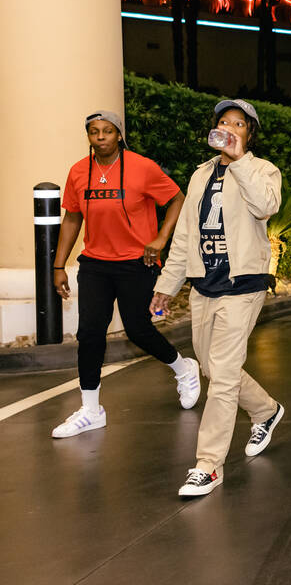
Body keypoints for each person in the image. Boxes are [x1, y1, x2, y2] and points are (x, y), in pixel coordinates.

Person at [150, 99, 283, 498]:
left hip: (243, 287)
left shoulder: (262, 170)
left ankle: (207, 465)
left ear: (249, 133)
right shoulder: (199, 176)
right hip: (205, 285)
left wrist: (239, 159)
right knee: (211, 368)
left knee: (222, 377)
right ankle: (266, 411)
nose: (229, 127)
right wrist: (167, 286)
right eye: (223, 122)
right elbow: (186, 236)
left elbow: (265, 206)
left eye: (238, 124)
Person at [50, 110, 198, 439]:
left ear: (118, 134)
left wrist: (160, 239)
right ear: (88, 136)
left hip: (136, 263)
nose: (100, 137)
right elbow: (72, 218)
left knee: (138, 329)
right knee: (89, 334)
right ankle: (91, 410)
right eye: (93, 131)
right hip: (95, 264)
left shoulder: (141, 167)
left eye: (107, 131)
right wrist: (58, 266)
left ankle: (183, 368)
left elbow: (177, 198)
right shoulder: (78, 172)